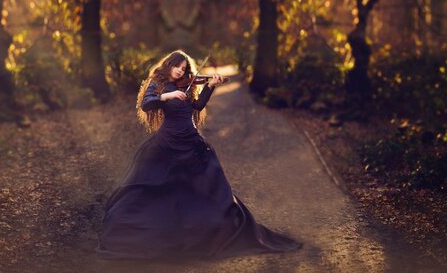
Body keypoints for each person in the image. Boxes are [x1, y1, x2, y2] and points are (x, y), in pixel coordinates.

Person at [95, 50, 303, 260]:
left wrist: (210, 86)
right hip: (166, 145)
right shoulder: (157, 84)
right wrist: (167, 95)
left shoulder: (187, 85)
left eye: (184, 69)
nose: (180, 71)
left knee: (210, 190)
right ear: (169, 65)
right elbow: (147, 103)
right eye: (177, 66)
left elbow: (197, 106)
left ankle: (208, 233)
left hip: (192, 144)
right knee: (156, 189)